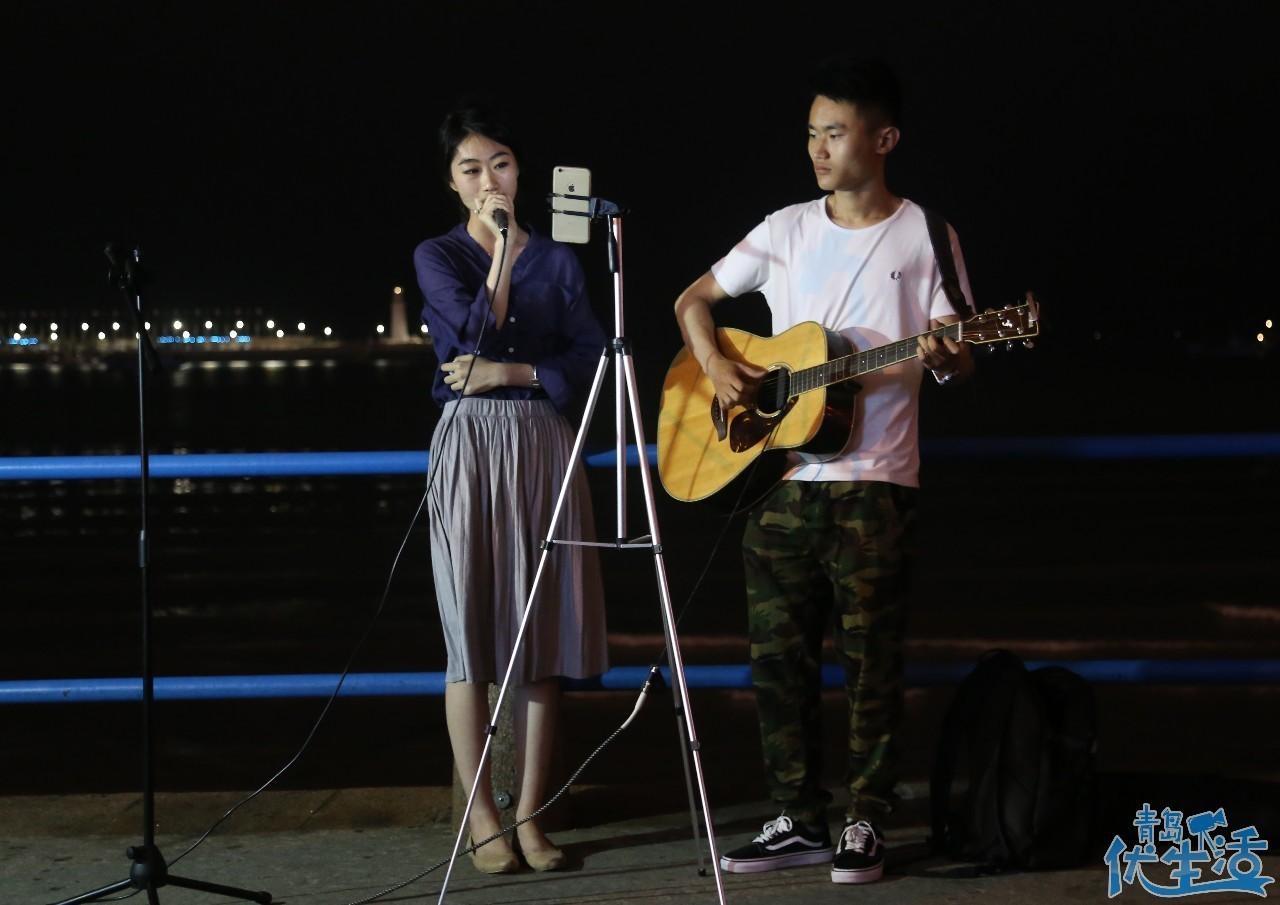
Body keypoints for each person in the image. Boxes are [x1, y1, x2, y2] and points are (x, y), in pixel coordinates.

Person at [672, 56, 974, 885]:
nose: (817, 148)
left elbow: (957, 353)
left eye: (834, 133)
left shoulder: (926, 233)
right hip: (777, 483)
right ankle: (796, 817)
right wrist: (717, 363)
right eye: (811, 133)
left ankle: (867, 817)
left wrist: (947, 357)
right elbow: (692, 300)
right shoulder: (783, 229)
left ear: (884, 139)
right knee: (778, 662)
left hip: (878, 481)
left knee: (873, 660)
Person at [413, 102, 609, 875]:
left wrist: (513, 372)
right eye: (470, 169)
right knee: (469, 635)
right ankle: (482, 820)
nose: (488, 179)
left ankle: (531, 815)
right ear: (453, 184)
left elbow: (591, 356)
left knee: (541, 632)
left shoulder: (560, 260)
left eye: (499, 163)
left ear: (521, 170)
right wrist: (495, 254)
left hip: (542, 441)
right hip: (470, 444)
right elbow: (467, 337)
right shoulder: (438, 255)